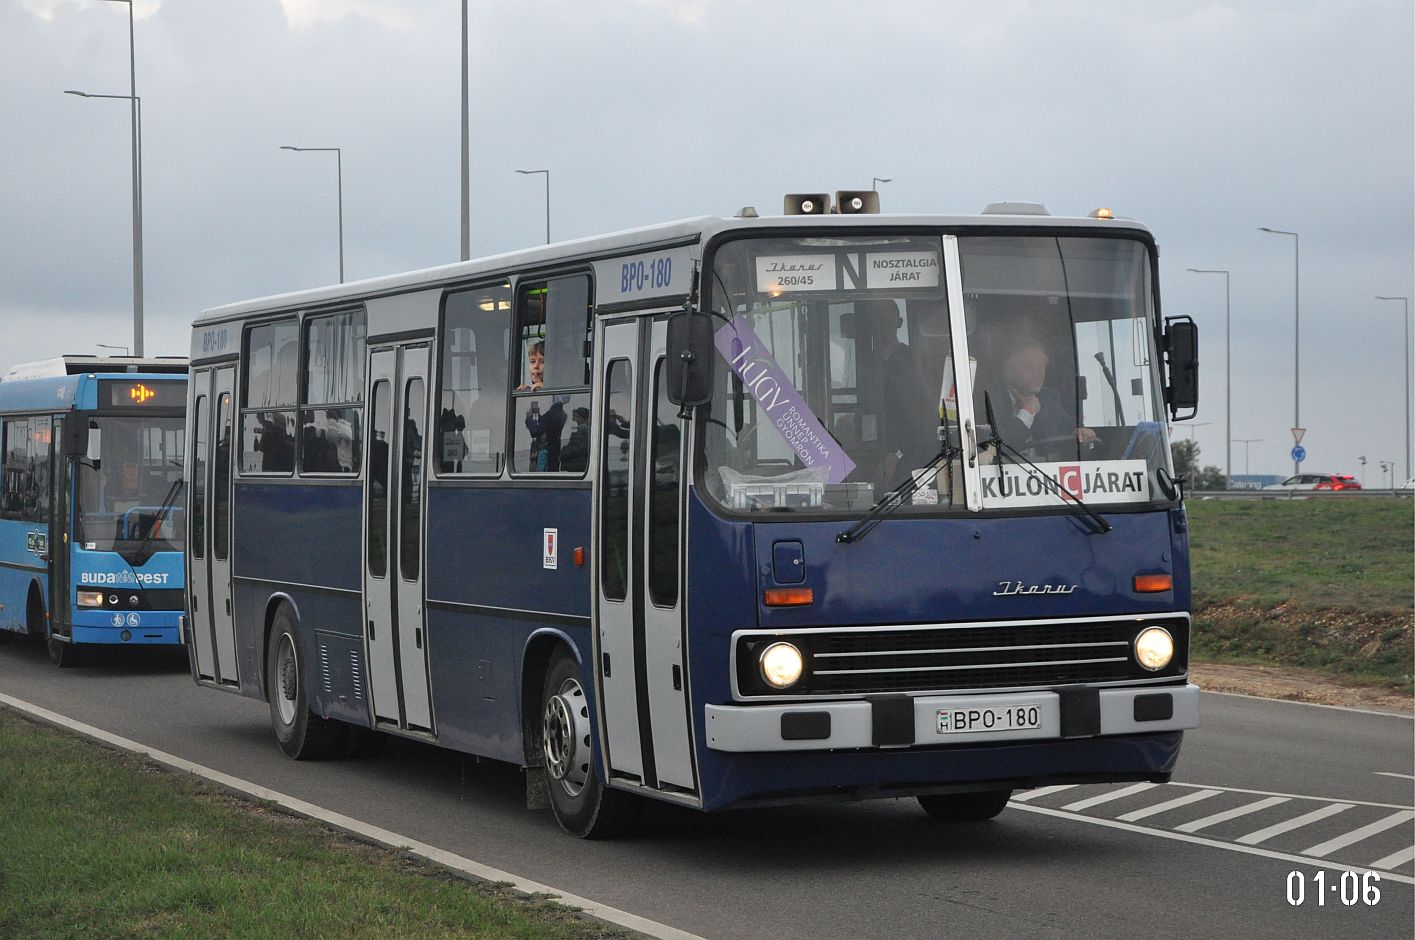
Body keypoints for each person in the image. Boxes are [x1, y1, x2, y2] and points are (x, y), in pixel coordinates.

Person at [985, 336, 1097, 454]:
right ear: (1009, 370)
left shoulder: (1048, 398)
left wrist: (1081, 435)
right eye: (1030, 367)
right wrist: (1028, 411)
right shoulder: (989, 397)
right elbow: (997, 446)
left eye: (1042, 367)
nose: (1039, 373)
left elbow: (1067, 434)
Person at [559, 406, 590, 472]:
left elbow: (577, 449)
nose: (574, 419)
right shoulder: (586, 433)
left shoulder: (582, 434)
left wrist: (563, 450)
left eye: (576, 416)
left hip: (578, 467)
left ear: (583, 418)